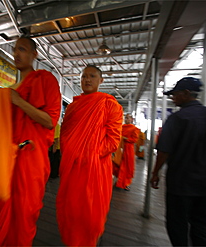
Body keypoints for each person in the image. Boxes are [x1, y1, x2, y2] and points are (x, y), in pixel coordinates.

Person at [0, 36, 62, 246]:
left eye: (22, 49)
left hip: (30, 160)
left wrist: (18, 102)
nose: (17, 54)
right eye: (15, 49)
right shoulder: (8, 90)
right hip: (5, 160)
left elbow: (50, 121)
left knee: (23, 213)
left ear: (34, 54)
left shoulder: (45, 80)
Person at [150, 77, 206, 246]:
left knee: (177, 224)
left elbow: (164, 151)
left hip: (181, 184)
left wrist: (155, 173)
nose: (173, 98)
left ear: (186, 94)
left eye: (175, 94)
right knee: (201, 224)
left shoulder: (177, 119)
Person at [56, 65, 123, 246]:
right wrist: (72, 153)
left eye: (92, 76)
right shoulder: (73, 106)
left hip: (95, 167)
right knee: (71, 209)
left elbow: (113, 141)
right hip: (72, 166)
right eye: (84, 76)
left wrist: (88, 153)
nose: (87, 80)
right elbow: (66, 135)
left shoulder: (109, 105)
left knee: (90, 212)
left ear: (101, 80)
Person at [115, 113, 139, 191]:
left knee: (128, 166)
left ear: (132, 119)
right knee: (118, 164)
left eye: (128, 118)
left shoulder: (134, 129)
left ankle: (126, 183)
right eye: (126, 118)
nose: (126, 119)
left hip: (129, 149)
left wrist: (125, 138)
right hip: (121, 148)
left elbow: (134, 139)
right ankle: (120, 181)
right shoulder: (121, 127)